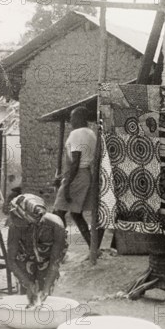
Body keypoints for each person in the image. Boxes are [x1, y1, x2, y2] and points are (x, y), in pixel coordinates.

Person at [7, 194, 68, 307]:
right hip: (24, 261)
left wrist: (46, 288)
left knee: (44, 299)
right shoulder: (15, 227)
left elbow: (54, 262)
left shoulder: (55, 226)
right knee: (27, 299)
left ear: (31, 220)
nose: (17, 223)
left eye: (22, 222)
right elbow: (11, 259)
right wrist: (27, 283)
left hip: (47, 261)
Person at [53, 106, 101, 248]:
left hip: (76, 176)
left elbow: (76, 161)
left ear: (79, 118)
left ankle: (57, 247)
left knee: (57, 213)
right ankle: (93, 247)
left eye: (72, 118)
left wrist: (67, 185)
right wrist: (64, 176)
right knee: (76, 214)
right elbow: (83, 161)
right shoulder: (91, 133)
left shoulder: (76, 133)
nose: (70, 121)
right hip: (85, 174)